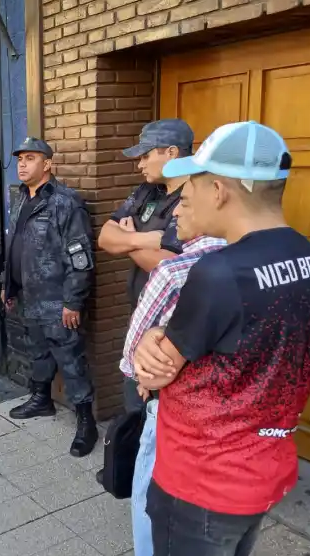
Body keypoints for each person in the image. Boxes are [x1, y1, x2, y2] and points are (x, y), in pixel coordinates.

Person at [133, 122, 310, 556]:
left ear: (218, 190)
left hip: (201, 478)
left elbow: (157, 371)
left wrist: (154, 333)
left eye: (189, 190)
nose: (181, 203)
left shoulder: (218, 272)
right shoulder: (308, 255)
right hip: (262, 468)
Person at [121, 190, 226, 556]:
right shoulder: (246, 261)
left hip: (170, 407)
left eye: (184, 203)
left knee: (150, 498)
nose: (176, 212)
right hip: (223, 417)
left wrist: (140, 373)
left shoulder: (173, 271)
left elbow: (134, 355)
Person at [0, 137, 97, 457]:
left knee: (70, 359)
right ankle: (41, 400)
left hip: (57, 300)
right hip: (28, 296)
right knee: (38, 351)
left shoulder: (65, 202)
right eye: (20, 158)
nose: (23, 164)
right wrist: (8, 284)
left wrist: (73, 301)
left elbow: (80, 257)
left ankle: (86, 422)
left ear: (48, 164)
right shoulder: (20, 198)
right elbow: (13, 245)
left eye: (31, 158)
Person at [97, 119, 191, 413]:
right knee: (136, 409)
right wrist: (146, 240)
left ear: (172, 152)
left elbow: (171, 267)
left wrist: (127, 239)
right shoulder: (147, 191)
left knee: (157, 412)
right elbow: (105, 237)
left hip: (172, 328)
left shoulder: (194, 198)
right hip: (141, 312)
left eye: (146, 155)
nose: (140, 164)